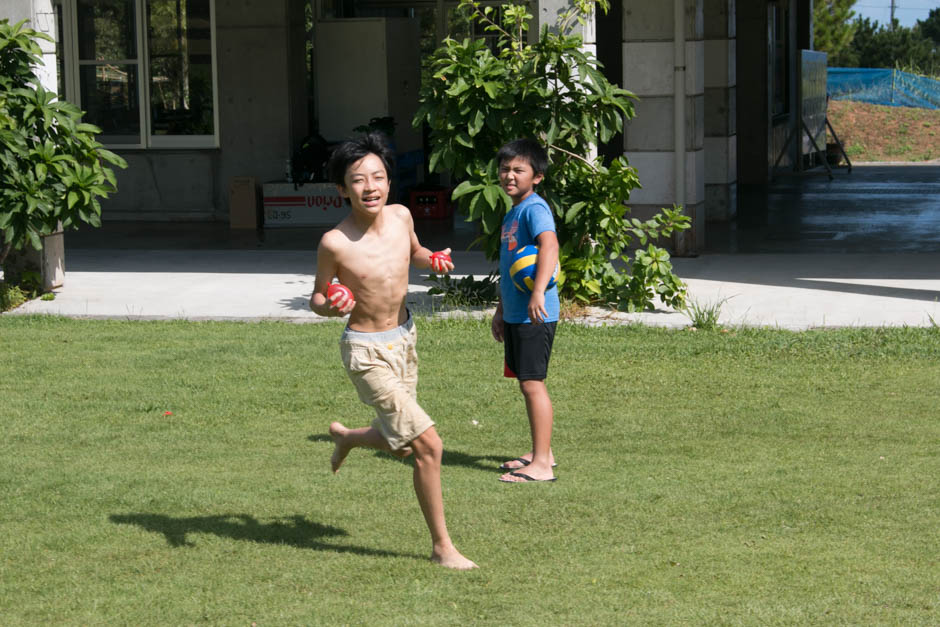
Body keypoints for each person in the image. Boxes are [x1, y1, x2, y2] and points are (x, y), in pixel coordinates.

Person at [309, 133, 477, 570]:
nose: (371, 186)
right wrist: (334, 304)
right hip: (365, 350)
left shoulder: (402, 217)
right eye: (359, 180)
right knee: (428, 445)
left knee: (401, 443)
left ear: (389, 182)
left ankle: (347, 437)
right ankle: (443, 548)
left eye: (378, 176)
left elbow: (416, 253)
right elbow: (319, 300)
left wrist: (432, 258)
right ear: (343, 189)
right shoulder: (335, 242)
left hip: (404, 338)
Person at [491, 138, 560, 483]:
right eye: (505, 169)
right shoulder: (512, 213)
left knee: (534, 384)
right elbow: (509, 268)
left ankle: (543, 466)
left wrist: (537, 294)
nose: (510, 175)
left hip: (536, 313)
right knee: (526, 383)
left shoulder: (535, 209)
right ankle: (539, 451)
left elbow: (550, 245)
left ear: (537, 176)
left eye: (519, 169)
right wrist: (502, 309)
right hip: (518, 313)